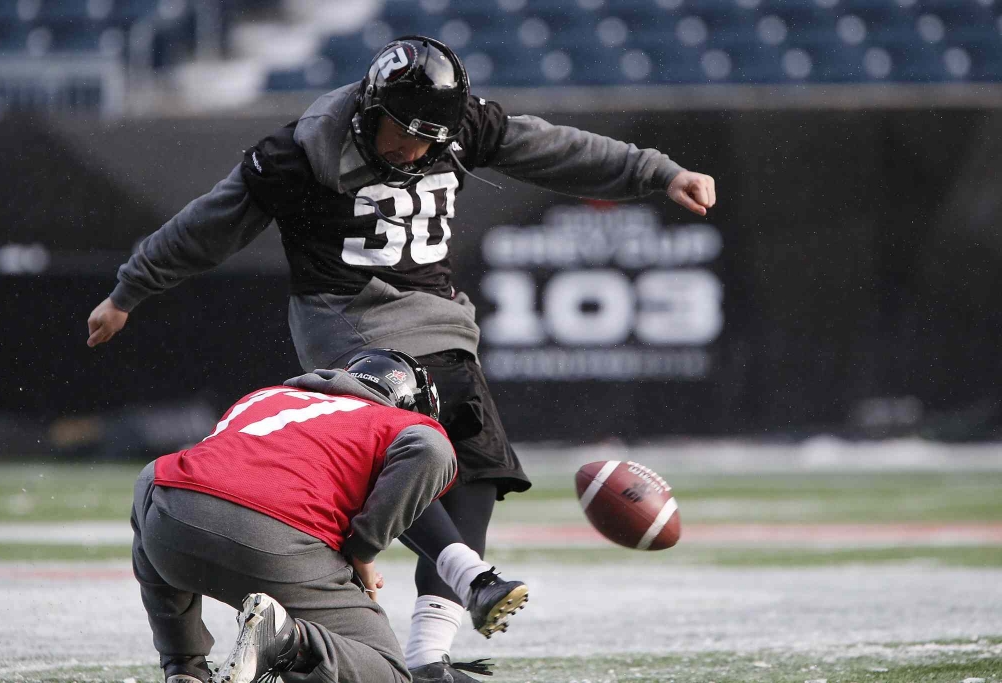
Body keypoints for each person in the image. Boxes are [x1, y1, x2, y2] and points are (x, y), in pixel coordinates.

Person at [90, 35, 716, 679]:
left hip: (440, 322)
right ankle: (467, 575)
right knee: (402, 451)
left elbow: (554, 150)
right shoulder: (295, 157)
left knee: (478, 472)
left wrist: (658, 172)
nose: (414, 151)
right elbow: (207, 225)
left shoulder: (462, 126)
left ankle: (429, 654)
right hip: (347, 329)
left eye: (429, 140)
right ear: (369, 108)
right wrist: (131, 289)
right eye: (403, 132)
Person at [133, 348, 526, 683]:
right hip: (273, 541)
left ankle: (184, 664)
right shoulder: (399, 421)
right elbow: (432, 450)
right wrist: (363, 551)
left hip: (169, 524)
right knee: (388, 670)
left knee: (155, 482)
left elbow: (206, 476)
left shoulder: (266, 396)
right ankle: (288, 640)